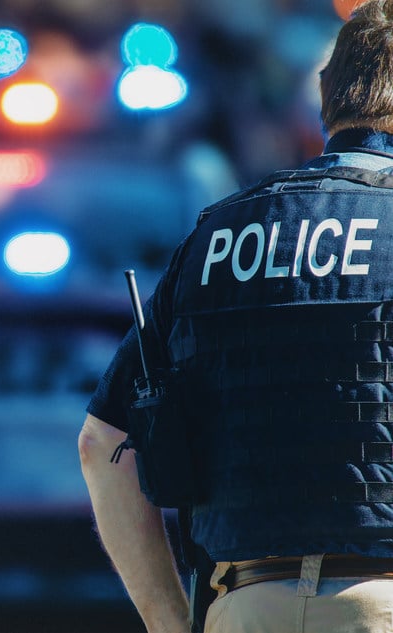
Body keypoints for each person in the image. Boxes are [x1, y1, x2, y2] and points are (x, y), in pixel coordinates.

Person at [79, 1, 393, 632]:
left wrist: (172, 622)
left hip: (241, 606)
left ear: (329, 100)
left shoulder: (217, 237)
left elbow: (102, 444)